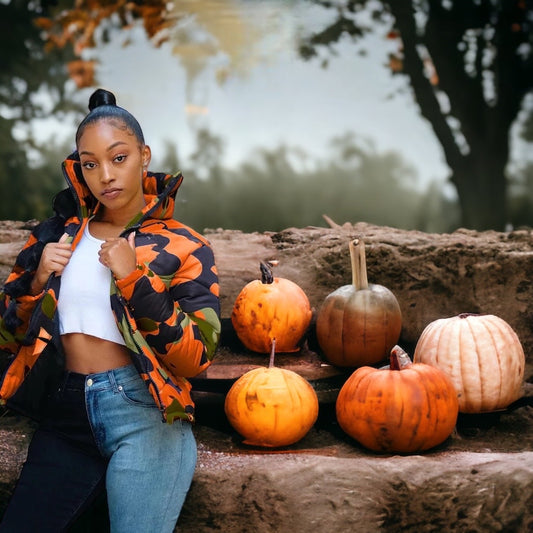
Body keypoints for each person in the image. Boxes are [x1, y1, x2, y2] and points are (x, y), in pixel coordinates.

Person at [0, 88, 221, 532]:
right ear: (78, 168)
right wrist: (38, 279)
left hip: (144, 414)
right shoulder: (56, 236)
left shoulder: (186, 245)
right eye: (90, 163)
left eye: (118, 158)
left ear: (144, 155)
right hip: (65, 409)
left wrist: (134, 279)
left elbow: (196, 355)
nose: (105, 175)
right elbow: (8, 333)